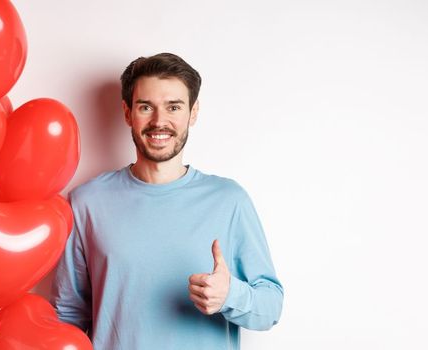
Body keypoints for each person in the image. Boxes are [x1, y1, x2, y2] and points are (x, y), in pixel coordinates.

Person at [50, 52, 283, 349]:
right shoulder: (87, 202)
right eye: (146, 107)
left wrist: (230, 296)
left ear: (193, 112)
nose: (160, 121)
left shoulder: (229, 201)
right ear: (127, 112)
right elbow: (67, 315)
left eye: (174, 107)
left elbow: (270, 308)